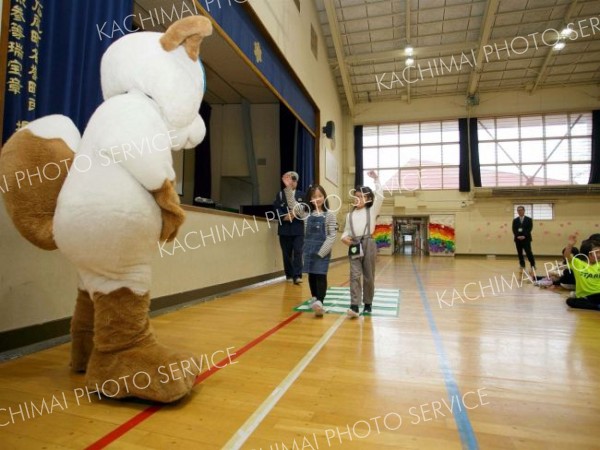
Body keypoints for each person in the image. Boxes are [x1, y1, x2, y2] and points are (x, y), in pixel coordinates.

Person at [290, 184, 338, 317]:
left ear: (324, 197)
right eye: (314, 196)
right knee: (312, 275)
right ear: (310, 199)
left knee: (321, 275)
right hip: (309, 250)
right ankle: (315, 299)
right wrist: (289, 189)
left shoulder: (329, 216)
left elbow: (332, 235)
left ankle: (320, 302)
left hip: (323, 250)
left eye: (320, 196)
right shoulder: (306, 214)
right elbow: (292, 203)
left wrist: (322, 252)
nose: (317, 199)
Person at [341, 170, 383, 318]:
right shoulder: (349, 215)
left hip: (368, 243)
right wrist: (344, 238)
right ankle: (354, 305)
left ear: (368, 199)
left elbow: (380, 195)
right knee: (354, 275)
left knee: (368, 276)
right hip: (354, 244)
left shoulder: (371, 211)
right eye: (356, 196)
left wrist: (376, 179)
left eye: (361, 196)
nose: (357, 198)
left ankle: (368, 304)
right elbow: (345, 233)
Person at [273, 171, 306, 284]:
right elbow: (276, 208)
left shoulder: (302, 195)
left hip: (298, 229)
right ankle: (289, 274)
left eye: (294, 179)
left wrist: (295, 214)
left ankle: (297, 275)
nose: (292, 181)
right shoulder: (280, 194)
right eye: (290, 179)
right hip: (284, 229)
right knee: (286, 254)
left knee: (298, 251)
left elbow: (304, 210)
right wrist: (284, 216)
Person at [564, 234, 600, 311]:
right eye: (596, 253)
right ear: (588, 253)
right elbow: (567, 255)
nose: (599, 255)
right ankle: (596, 307)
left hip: (598, 294)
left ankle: (595, 305)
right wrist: (570, 245)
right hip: (584, 296)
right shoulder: (578, 263)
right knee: (570, 301)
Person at [512, 206, 536, 272]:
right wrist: (517, 236)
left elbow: (529, 229)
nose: (519, 211)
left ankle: (533, 264)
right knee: (520, 253)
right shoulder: (515, 220)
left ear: (524, 211)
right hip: (518, 239)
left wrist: (524, 236)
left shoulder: (529, 219)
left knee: (528, 252)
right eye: (518, 210)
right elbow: (514, 229)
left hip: (526, 239)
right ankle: (522, 264)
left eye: (521, 210)